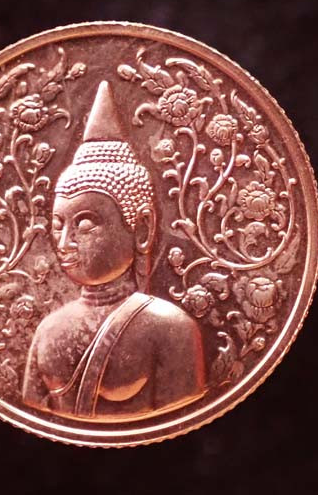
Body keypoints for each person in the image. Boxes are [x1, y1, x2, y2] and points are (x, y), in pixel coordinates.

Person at [22, 81, 206, 420]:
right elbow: (35, 415)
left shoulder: (169, 329)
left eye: (85, 224)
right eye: (58, 225)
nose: (65, 242)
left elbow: (179, 419)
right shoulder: (48, 331)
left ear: (142, 229)